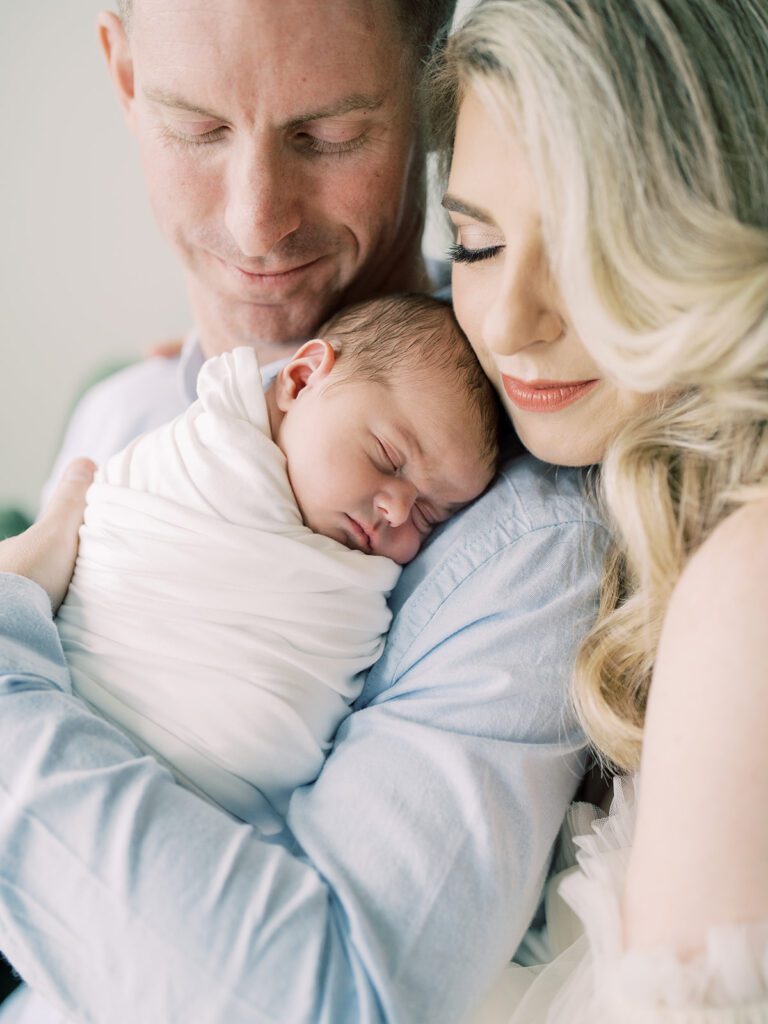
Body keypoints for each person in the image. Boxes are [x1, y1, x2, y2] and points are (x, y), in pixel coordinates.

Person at [422, 0, 766, 1020]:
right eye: (477, 246)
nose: (513, 322)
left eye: (587, 243)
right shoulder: (622, 506)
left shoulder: (746, 584)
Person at [59, 295, 498, 833]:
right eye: (386, 456)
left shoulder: (362, 589)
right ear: (300, 379)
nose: (398, 510)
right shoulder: (199, 451)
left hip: (203, 820)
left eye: (431, 515)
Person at [41, 0, 454, 501]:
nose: (255, 230)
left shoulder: (520, 516)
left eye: (327, 137)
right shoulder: (114, 417)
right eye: (199, 128)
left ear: (438, 97)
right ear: (126, 77)